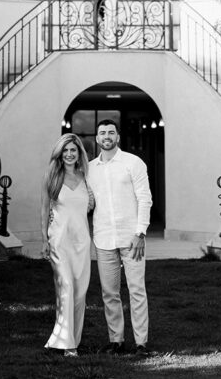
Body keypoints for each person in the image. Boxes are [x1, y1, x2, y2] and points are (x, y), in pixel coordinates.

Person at [87, 118, 152, 357]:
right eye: (102, 132)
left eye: (111, 132)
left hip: (131, 238)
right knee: (109, 293)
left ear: (118, 137)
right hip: (103, 239)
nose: (106, 136)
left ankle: (141, 344)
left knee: (136, 291)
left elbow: (145, 198)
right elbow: (89, 201)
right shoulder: (90, 168)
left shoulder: (133, 163)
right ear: (97, 138)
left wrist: (140, 232)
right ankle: (116, 341)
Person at [41, 132, 94, 357]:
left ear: (79, 153)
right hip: (59, 241)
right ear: (60, 154)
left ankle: (74, 337)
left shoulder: (87, 178)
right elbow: (44, 209)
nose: (70, 154)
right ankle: (66, 343)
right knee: (66, 288)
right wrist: (44, 239)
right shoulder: (52, 177)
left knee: (80, 293)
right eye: (66, 150)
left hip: (82, 242)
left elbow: (91, 207)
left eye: (73, 150)